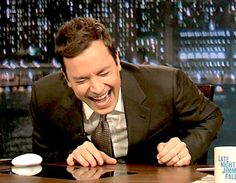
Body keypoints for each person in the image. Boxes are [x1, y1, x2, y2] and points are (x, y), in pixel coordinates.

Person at [30, 17, 223, 167]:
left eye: (103, 73)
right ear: (66, 78)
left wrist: (187, 147)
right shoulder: (45, 95)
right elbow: (43, 155)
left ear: (117, 60)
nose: (97, 89)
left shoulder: (168, 84)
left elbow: (211, 117)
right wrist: (71, 155)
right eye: (82, 80)